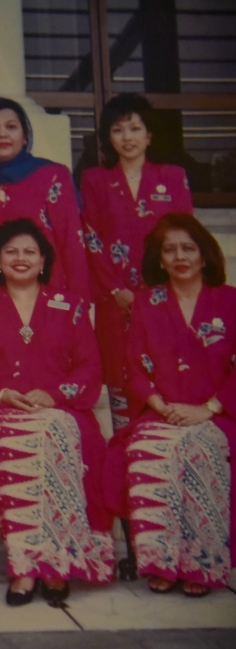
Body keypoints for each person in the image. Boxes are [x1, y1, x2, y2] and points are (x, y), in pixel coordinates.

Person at [0, 219, 113, 606]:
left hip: (61, 411)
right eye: (11, 251)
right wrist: (4, 393)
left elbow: (90, 368)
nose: (20, 258)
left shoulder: (70, 305)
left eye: (29, 251)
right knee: (17, 440)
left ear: (43, 260)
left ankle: (57, 566)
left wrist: (55, 395)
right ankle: (23, 568)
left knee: (52, 434)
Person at [105, 213, 234, 598]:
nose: (180, 256)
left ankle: (202, 564)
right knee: (151, 451)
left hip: (219, 415)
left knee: (201, 448)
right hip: (160, 413)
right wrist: (162, 408)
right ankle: (162, 561)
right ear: (159, 260)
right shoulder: (147, 304)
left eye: (188, 248)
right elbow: (134, 365)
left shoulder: (230, 301)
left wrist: (207, 409)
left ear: (204, 255)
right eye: (170, 249)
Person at [81, 93, 193, 431]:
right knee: (122, 382)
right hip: (116, 304)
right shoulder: (95, 181)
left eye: (135, 128)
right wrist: (116, 291)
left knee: (169, 380)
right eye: (118, 130)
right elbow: (92, 240)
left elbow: (185, 237)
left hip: (164, 298)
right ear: (108, 137)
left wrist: (165, 287)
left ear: (149, 134)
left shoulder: (172, 177)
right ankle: (125, 463)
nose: (127, 137)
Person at [0, 97, 89, 306]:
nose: (2, 134)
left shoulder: (52, 176)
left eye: (11, 127)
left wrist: (80, 304)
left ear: (24, 135)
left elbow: (72, 243)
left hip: (48, 300)